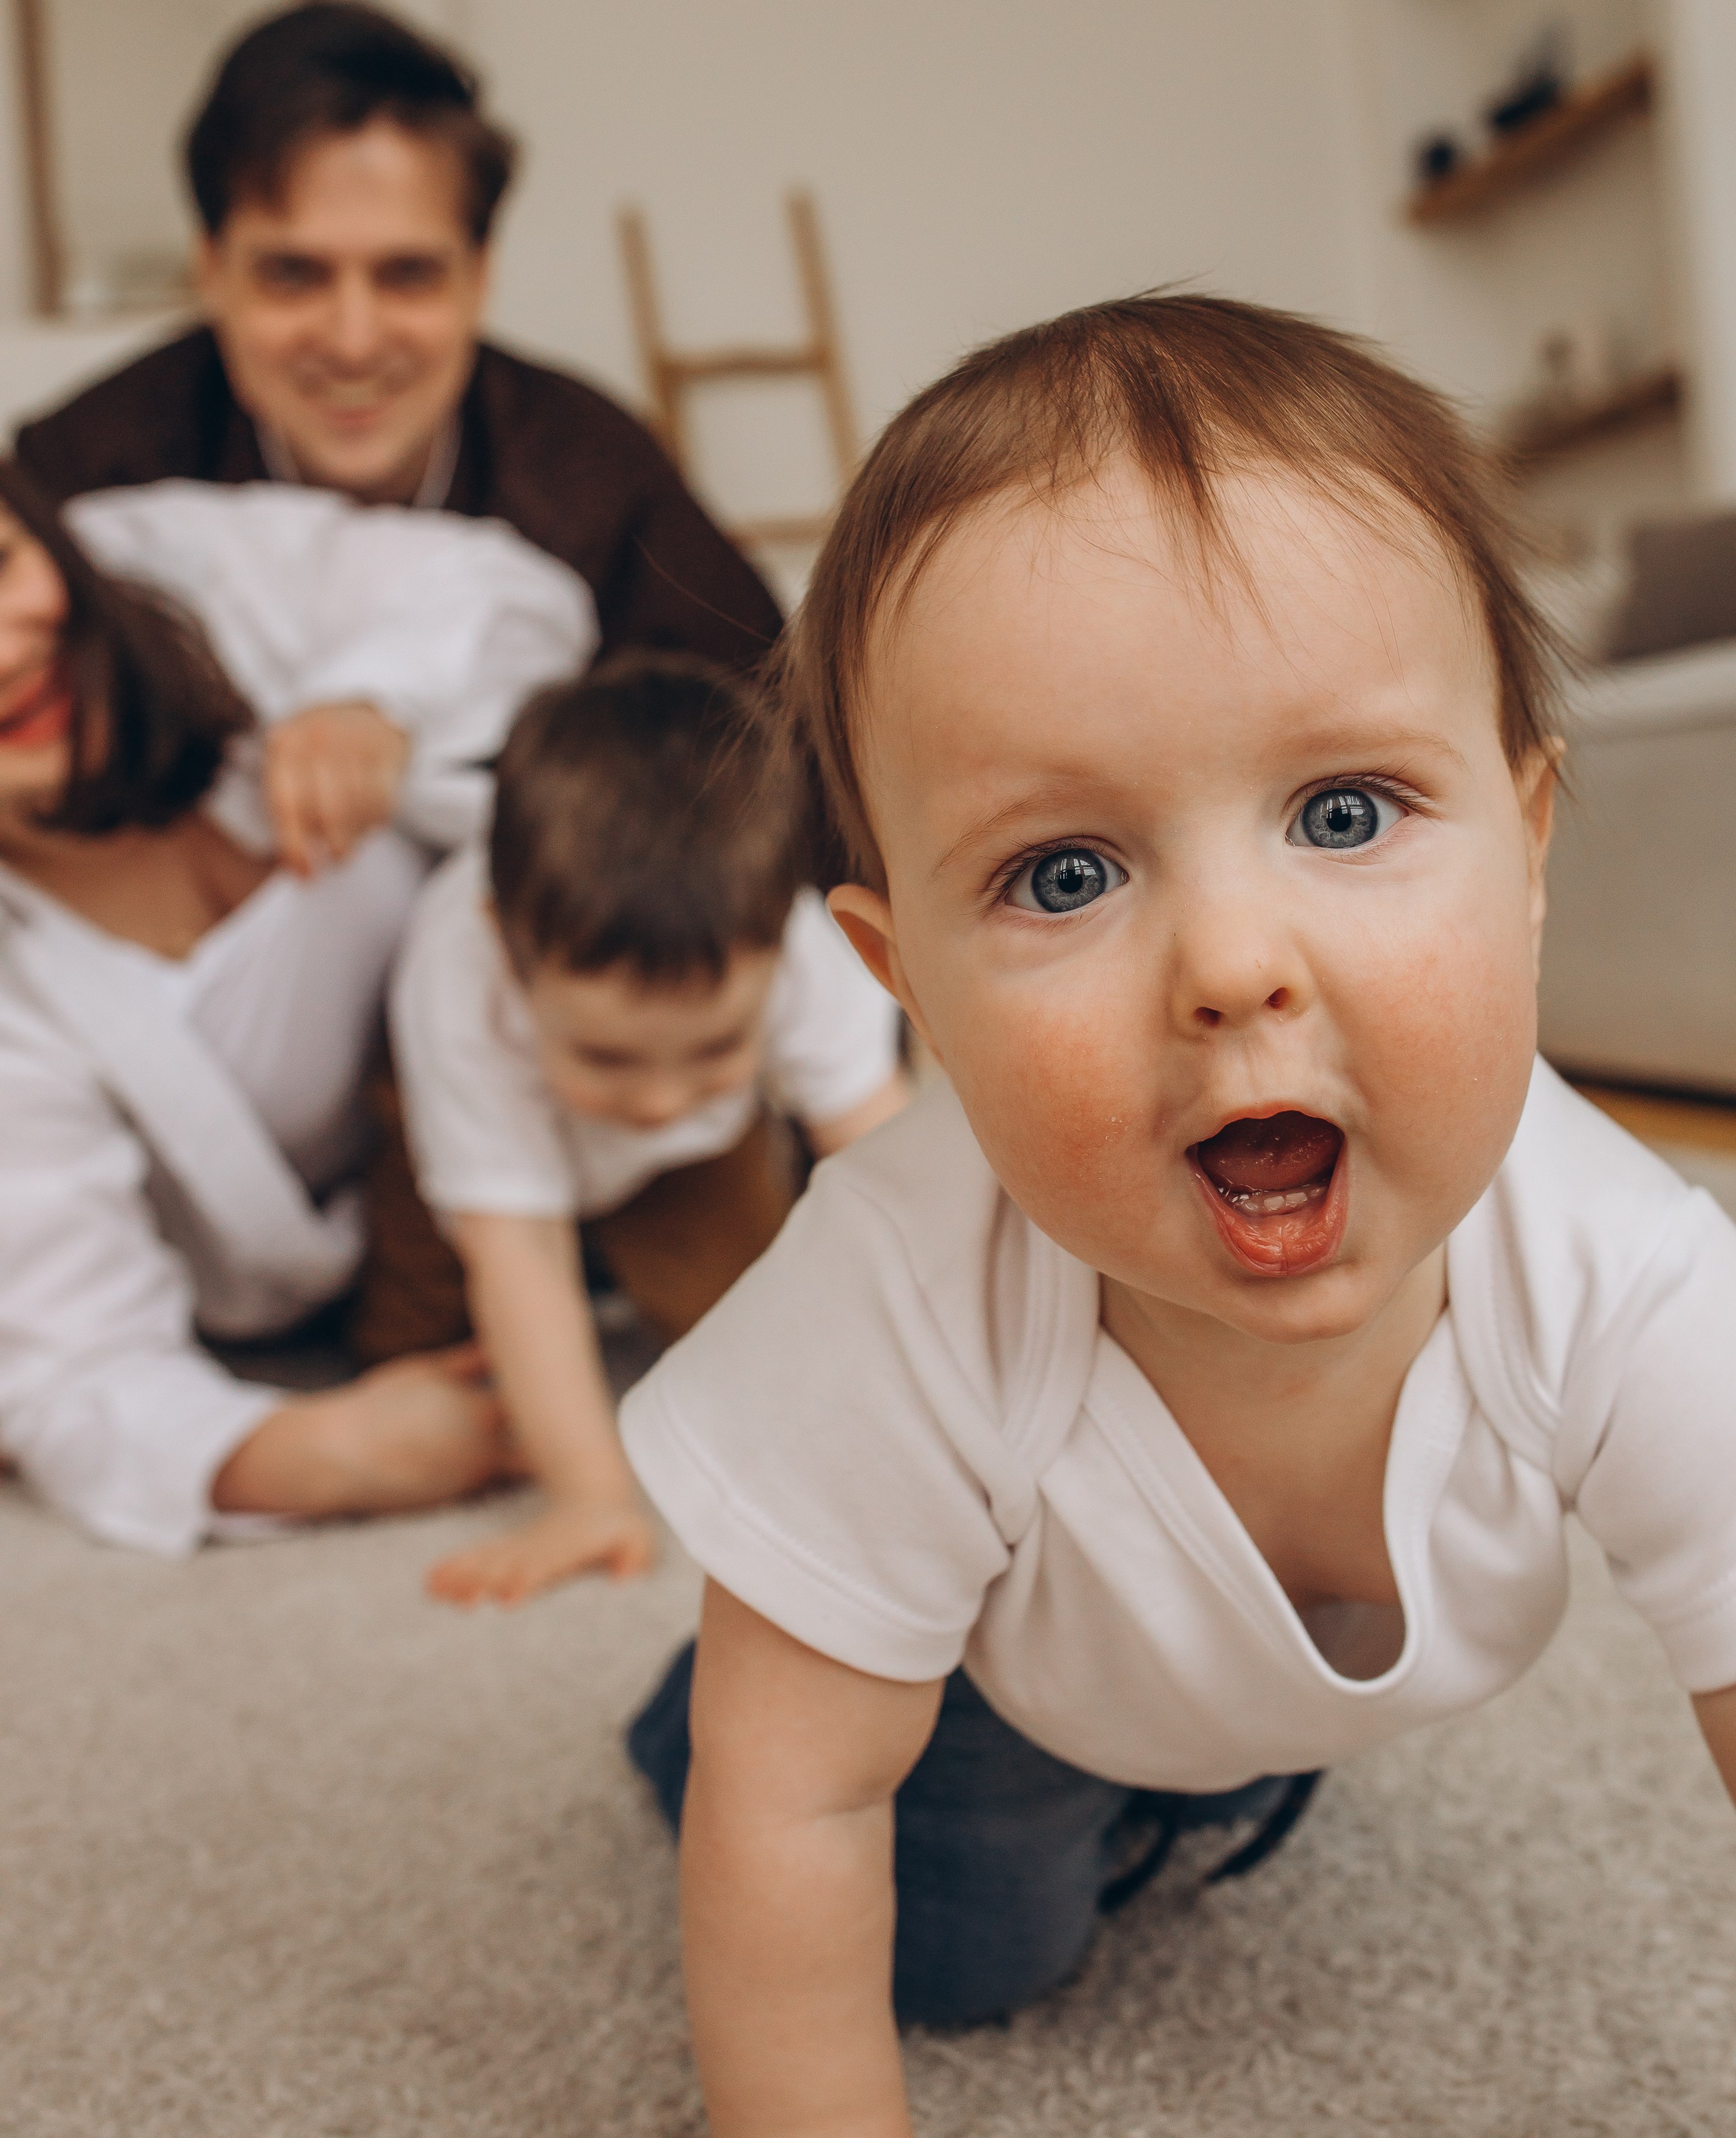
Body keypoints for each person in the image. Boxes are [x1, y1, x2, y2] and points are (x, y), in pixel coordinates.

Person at [614, 294, 1736, 2130]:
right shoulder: (901, 1295)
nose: (1231, 967)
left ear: (1529, 851)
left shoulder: (1627, 1266)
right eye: (1066, 871)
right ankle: (742, 1659)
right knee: (974, 1944)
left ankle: (1213, 1751)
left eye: (1348, 813)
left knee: (1207, 1766)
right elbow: (795, 1806)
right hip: (1003, 1681)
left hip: (1215, 1677)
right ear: (909, 985)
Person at [0, 462, 593, 1555]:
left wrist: (372, 697)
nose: (5, 653)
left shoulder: (169, 558)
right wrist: (323, 1452)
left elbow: (515, 594)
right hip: (383, 1286)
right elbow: (72, 1367)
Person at [12, 0, 783, 676]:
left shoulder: (598, 481)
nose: (353, 341)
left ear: (479, 278)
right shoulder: (85, 477)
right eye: (293, 275)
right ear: (210, 272)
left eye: (407, 274)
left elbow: (770, 744)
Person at [389, 653, 907, 1609]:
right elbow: (516, 1251)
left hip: (697, 1165)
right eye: (612, 1058)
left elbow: (900, 1177)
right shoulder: (457, 984)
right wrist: (590, 1496)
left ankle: (642, 1226)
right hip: (462, 1140)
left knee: (758, 1336)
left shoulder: (800, 951)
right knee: (414, 1351)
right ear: (507, 945)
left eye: (715, 1047)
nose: (662, 1098)